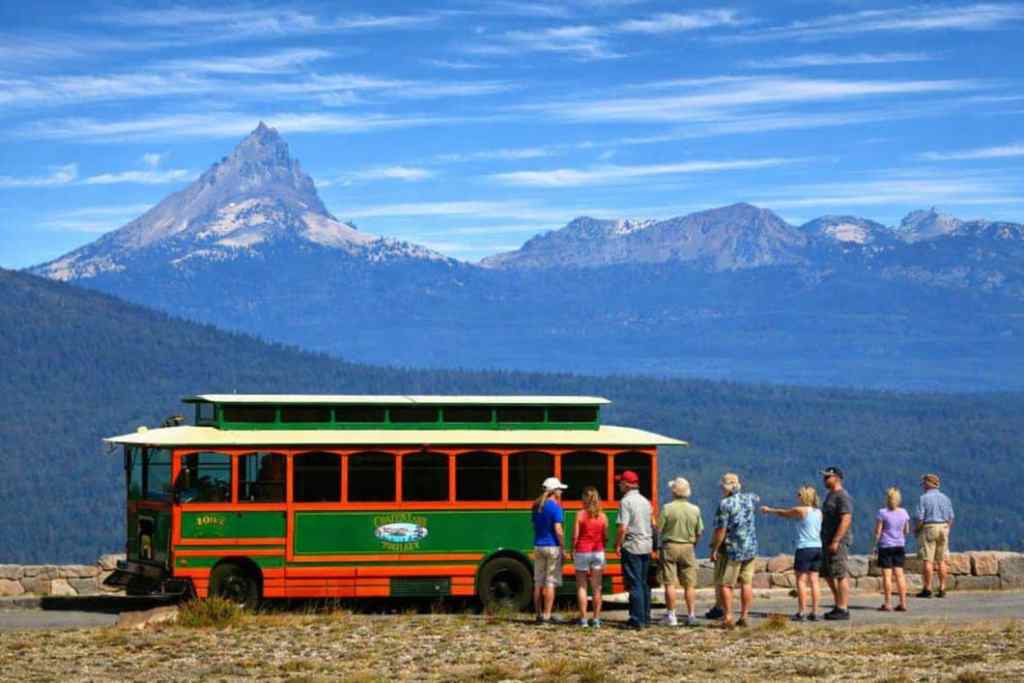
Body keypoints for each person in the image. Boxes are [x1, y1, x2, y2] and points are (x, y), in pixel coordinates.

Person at [761, 485, 822, 621]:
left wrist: (769, 510)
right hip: (817, 547)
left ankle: (801, 612)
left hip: (804, 547)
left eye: (799, 494)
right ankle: (815, 612)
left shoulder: (800, 510)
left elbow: (784, 513)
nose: (797, 497)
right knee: (814, 581)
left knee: (801, 581)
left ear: (803, 497)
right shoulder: (818, 512)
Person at [710, 472, 759, 628]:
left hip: (733, 549)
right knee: (746, 583)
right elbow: (757, 497)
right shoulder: (750, 498)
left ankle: (728, 616)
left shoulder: (725, 504)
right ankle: (744, 616)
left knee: (726, 584)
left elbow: (721, 530)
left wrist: (715, 549)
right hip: (751, 547)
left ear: (726, 487)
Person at [657, 477, 703, 627]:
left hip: (670, 545)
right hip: (688, 546)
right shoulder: (695, 509)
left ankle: (672, 616)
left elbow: (659, 529)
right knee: (689, 584)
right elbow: (699, 531)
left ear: (674, 492)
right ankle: (691, 615)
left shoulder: (667, 508)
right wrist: (693, 544)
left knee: (669, 583)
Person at [615, 470, 653, 629]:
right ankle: (646, 617)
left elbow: (623, 527)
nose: (618, 485)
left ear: (626, 484)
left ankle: (636, 619)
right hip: (646, 545)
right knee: (643, 583)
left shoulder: (626, 502)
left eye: (620, 483)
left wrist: (617, 544)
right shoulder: (646, 501)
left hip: (632, 546)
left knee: (634, 583)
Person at [532, 476, 568, 624]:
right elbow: (558, 529)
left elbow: (535, 526)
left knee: (538, 582)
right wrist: (563, 548)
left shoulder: (536, 506)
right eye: (559, 489)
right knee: (550, 582)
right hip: (552, 546)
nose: (561, 492)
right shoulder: (556, 507)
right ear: (554, 491)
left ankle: (538, 615)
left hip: (538, 545)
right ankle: (547, 616)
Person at [571, 485, 608, 627]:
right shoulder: (603, 516)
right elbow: (605, 536)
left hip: (582, 551)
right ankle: (596, 619)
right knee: (597, 587)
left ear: (584, 499)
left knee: (582, 586)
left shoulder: (580, 514)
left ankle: (583, 619)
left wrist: (572, 549)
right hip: (598, 551)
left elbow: (575, 536)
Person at [820, 466, 853, 621]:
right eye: (825, 477)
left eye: (828, 477)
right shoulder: (829, 495)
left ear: (837, 478)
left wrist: (836, 540)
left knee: (840, 574)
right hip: (825, 540)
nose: (825, 479)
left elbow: (846, 519)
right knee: (827, 573)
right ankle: (838, 602)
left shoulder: (842, 496)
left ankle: (843, 608)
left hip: (837, 541)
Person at [915, 473, 955, 598]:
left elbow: (920, 518)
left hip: (929, 527)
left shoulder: (923, 498)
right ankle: (942, 587)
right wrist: (947, 527)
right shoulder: (945, 498)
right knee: (941, 560)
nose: (923, 486)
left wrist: (917, 529)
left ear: (928, 484)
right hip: (943, 527)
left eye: (924, 484)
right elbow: (951, 517)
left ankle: (927, 588)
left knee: (928, 560)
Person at [874, 486, 910, 612]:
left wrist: (874, 545)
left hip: (886, 546)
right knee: (900, 575)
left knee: (887, 576)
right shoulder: (904, 512)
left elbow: (878, 531)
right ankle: (903, 603)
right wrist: (899, 537)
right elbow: (907, 530)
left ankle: (888, 603)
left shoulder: (882, 512)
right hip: (899, 545)